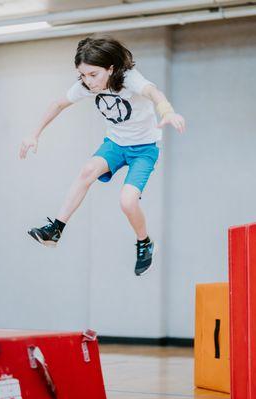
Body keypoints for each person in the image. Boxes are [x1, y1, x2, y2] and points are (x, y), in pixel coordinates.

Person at [19, 36, 185, 276]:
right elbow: (58, 104)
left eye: (93, 75)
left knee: (127, 202)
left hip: (144, 149)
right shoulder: (87, 86)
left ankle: (144, 242)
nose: (88, 82)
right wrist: (34, 134)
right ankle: (56, 230)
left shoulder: (130, 79)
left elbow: (153, 91)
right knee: (87, 171)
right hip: (116, 144)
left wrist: (167, 111)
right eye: (82, 75)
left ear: (111, 68)